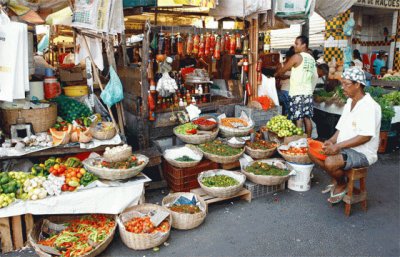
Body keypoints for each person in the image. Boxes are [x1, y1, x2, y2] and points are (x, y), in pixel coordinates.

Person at [308, 67, 381, 203]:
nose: (343, 88)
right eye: (342, 83)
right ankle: (338, 179)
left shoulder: (369, 106)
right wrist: (331, 140)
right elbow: (341, 128)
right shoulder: (349, 102)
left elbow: (366, 136)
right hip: (345, 148)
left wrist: (338, 146)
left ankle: (342, 184)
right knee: (312, 152)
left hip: (362, 153)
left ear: (358, 84)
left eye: (346, 84)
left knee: (330, 162)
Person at [274, 35, 318, 137]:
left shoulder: (297, 57)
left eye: (297, 44)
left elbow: (283, 69)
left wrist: (276, 74)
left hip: (297, 93)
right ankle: (308, 141)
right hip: (308, 93)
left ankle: (300, 142)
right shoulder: (311, 59)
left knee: (299, 119)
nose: (295, 46)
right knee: (307, 118)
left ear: (304, 45)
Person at [276, 46, 295, 115]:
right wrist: (290, 76)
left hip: (293, 90)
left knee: (290, 108)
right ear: (287, 57)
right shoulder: (280, 65)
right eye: (291, 58)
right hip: (284, 89)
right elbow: (279, 75)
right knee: (288, 108)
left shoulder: (294, 66)